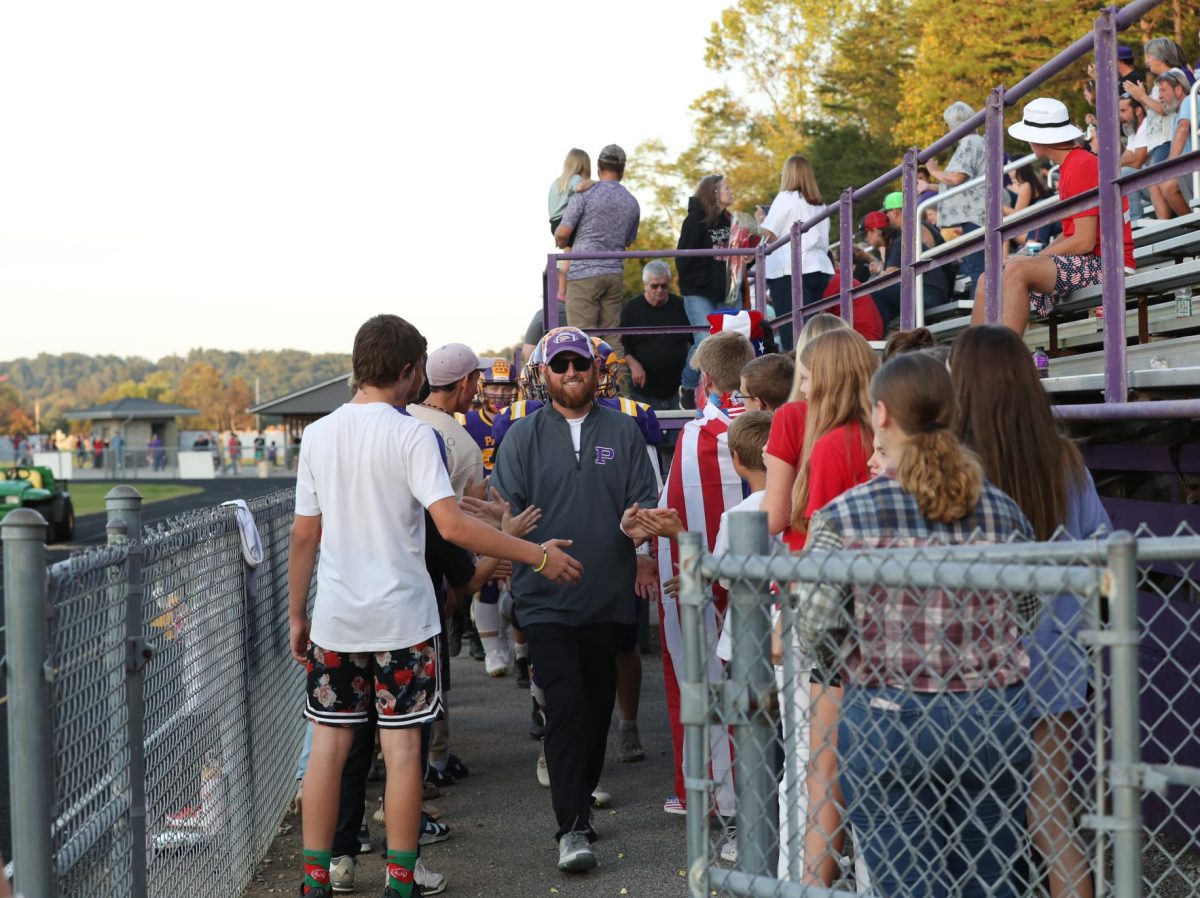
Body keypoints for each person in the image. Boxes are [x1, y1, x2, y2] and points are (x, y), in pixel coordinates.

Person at [288, 314, 580, 898]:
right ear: (408, 371)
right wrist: (535, 555)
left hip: (337, 622)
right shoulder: (413, 435)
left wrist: (299, 615)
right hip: (403, 621)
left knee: (330, 746)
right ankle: (400, 880)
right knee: (400, 750)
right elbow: (451, 524)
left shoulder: (319, 434)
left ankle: (315, 878)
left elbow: (304, 536)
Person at [794, 352, 1035, 898]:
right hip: (992, 713)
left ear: (880, 415)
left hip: (887, 716)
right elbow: (1030, 614)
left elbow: (816, 628)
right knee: (993, 878)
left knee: (908, 884)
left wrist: (852, 654)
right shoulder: (1001, 510)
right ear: (949, 413)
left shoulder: (844, 516)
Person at [485, 326, 660, 873]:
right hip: (545, 599)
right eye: (559, 366)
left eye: (578, 364)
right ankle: (572, 827)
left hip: (608, 597)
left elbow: (645, 504)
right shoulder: (520, 435)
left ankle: (581, 802)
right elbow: (502, 512)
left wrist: (640, 534)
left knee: (596, 706)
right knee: (563, 708)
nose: (570, 374)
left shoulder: (625, 431)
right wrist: (513, 539)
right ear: (544, 374)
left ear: (594, 369)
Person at [949, 325, 1111, 898]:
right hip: (1055, 660)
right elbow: (1104, 555)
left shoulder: (952, 467)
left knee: (968, 825)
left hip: (969, 671)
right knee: (1050, 817)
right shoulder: (1065, 460)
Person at [648, 330, 755, 819]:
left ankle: (711, 796)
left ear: (707, 378)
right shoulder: (774, 425)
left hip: (704, 579)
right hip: (763, 581)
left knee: (699, 677)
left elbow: (677, 518)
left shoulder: (697, 436)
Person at [971, 97, 1135, 334]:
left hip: (1110, 263)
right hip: (1095, 260)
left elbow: (1084, 241)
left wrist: (1032, 260)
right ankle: (970, 360)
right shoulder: (1073, 164)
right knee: (988, 278)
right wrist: (1028, 257)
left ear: (1037, 139)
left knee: (1017, 269)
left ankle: (1003, 359)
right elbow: (1074, 235)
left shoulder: (1079, 165)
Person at [555, 144, 640, 355]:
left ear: (599, 166)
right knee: (612, 339)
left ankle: (587, 389)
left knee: (581, 339)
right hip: (613, 275)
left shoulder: (585, 194)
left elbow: (563, 233)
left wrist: (560, 241)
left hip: (584, 274)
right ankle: (615, 386)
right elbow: (629, 241)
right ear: (622, 169)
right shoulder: (632, 202)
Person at [757, 154, 833, 350]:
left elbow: (770, 234)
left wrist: (759, 222)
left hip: (790, 270)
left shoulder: (786, 198)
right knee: (812, 332)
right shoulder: (820, 204)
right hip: (818, 267)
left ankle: (797, 376)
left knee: (793, 336)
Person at [409, 343, 494, 500]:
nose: (476, 390)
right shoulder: (466, 448)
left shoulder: (402, 416)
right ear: (465, 381)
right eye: (476, 381)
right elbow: (466, 516)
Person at [677, 174, 734, 406]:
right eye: (726, 188)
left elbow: (736, 258)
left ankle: (721, 394)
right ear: (713, 193)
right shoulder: (694, 221)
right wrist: (710, 281)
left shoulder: (730, 221)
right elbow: (684, 260)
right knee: (704, 339)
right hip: (699, 291)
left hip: (727, 291)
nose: (731, 192)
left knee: (730, 341)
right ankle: (688, 386)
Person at [925, 101, 987, 294]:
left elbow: (956, 177)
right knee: (976, 266)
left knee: (979, 268)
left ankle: (984, 313)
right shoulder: (976, 142)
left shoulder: (970, 142)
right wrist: (929, 185)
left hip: (976, 215)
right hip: (974, 214)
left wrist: (933, 171)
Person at [619, 260, 692, 411]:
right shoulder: (631, 308)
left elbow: (695, 342)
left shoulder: (681, 306)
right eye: (654, 286)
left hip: (676, 390)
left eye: (664, 286)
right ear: (645, 285)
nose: (660, 290)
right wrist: (634, 365)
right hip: (643, 391)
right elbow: (622, 345)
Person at [548, 149, 594, 301]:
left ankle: (561, 288)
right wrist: (597, 183)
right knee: (570, 256)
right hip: (566, 221)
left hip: (555, 223)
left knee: (567, 254)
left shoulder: (556, 183)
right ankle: (562, 290)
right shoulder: (575, 179)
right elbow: (579, 187)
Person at [1148, 68, 1196, 217]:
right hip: (1189, 167)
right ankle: (1183, 223)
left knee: (1168, 186)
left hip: (1195, 164)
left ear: (1179, 89)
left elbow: (1183, 129)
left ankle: (1194, 225)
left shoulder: (1190, 100)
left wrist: (1171, 166)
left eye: (1163, 91)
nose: (1160, 96)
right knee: (1154, 182)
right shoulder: (1176, 115)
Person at [1119, 94, 1151, 221]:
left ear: (1138, 111)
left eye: (1123, 111)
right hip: (1151, 187)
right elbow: (1125, 158)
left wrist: (1111, 164)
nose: (1120, 116)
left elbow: (1137, 160)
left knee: (1125, 173)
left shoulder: (1146, 125)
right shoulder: (1133, 130)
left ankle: (1134, 220)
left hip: (1159, 186)